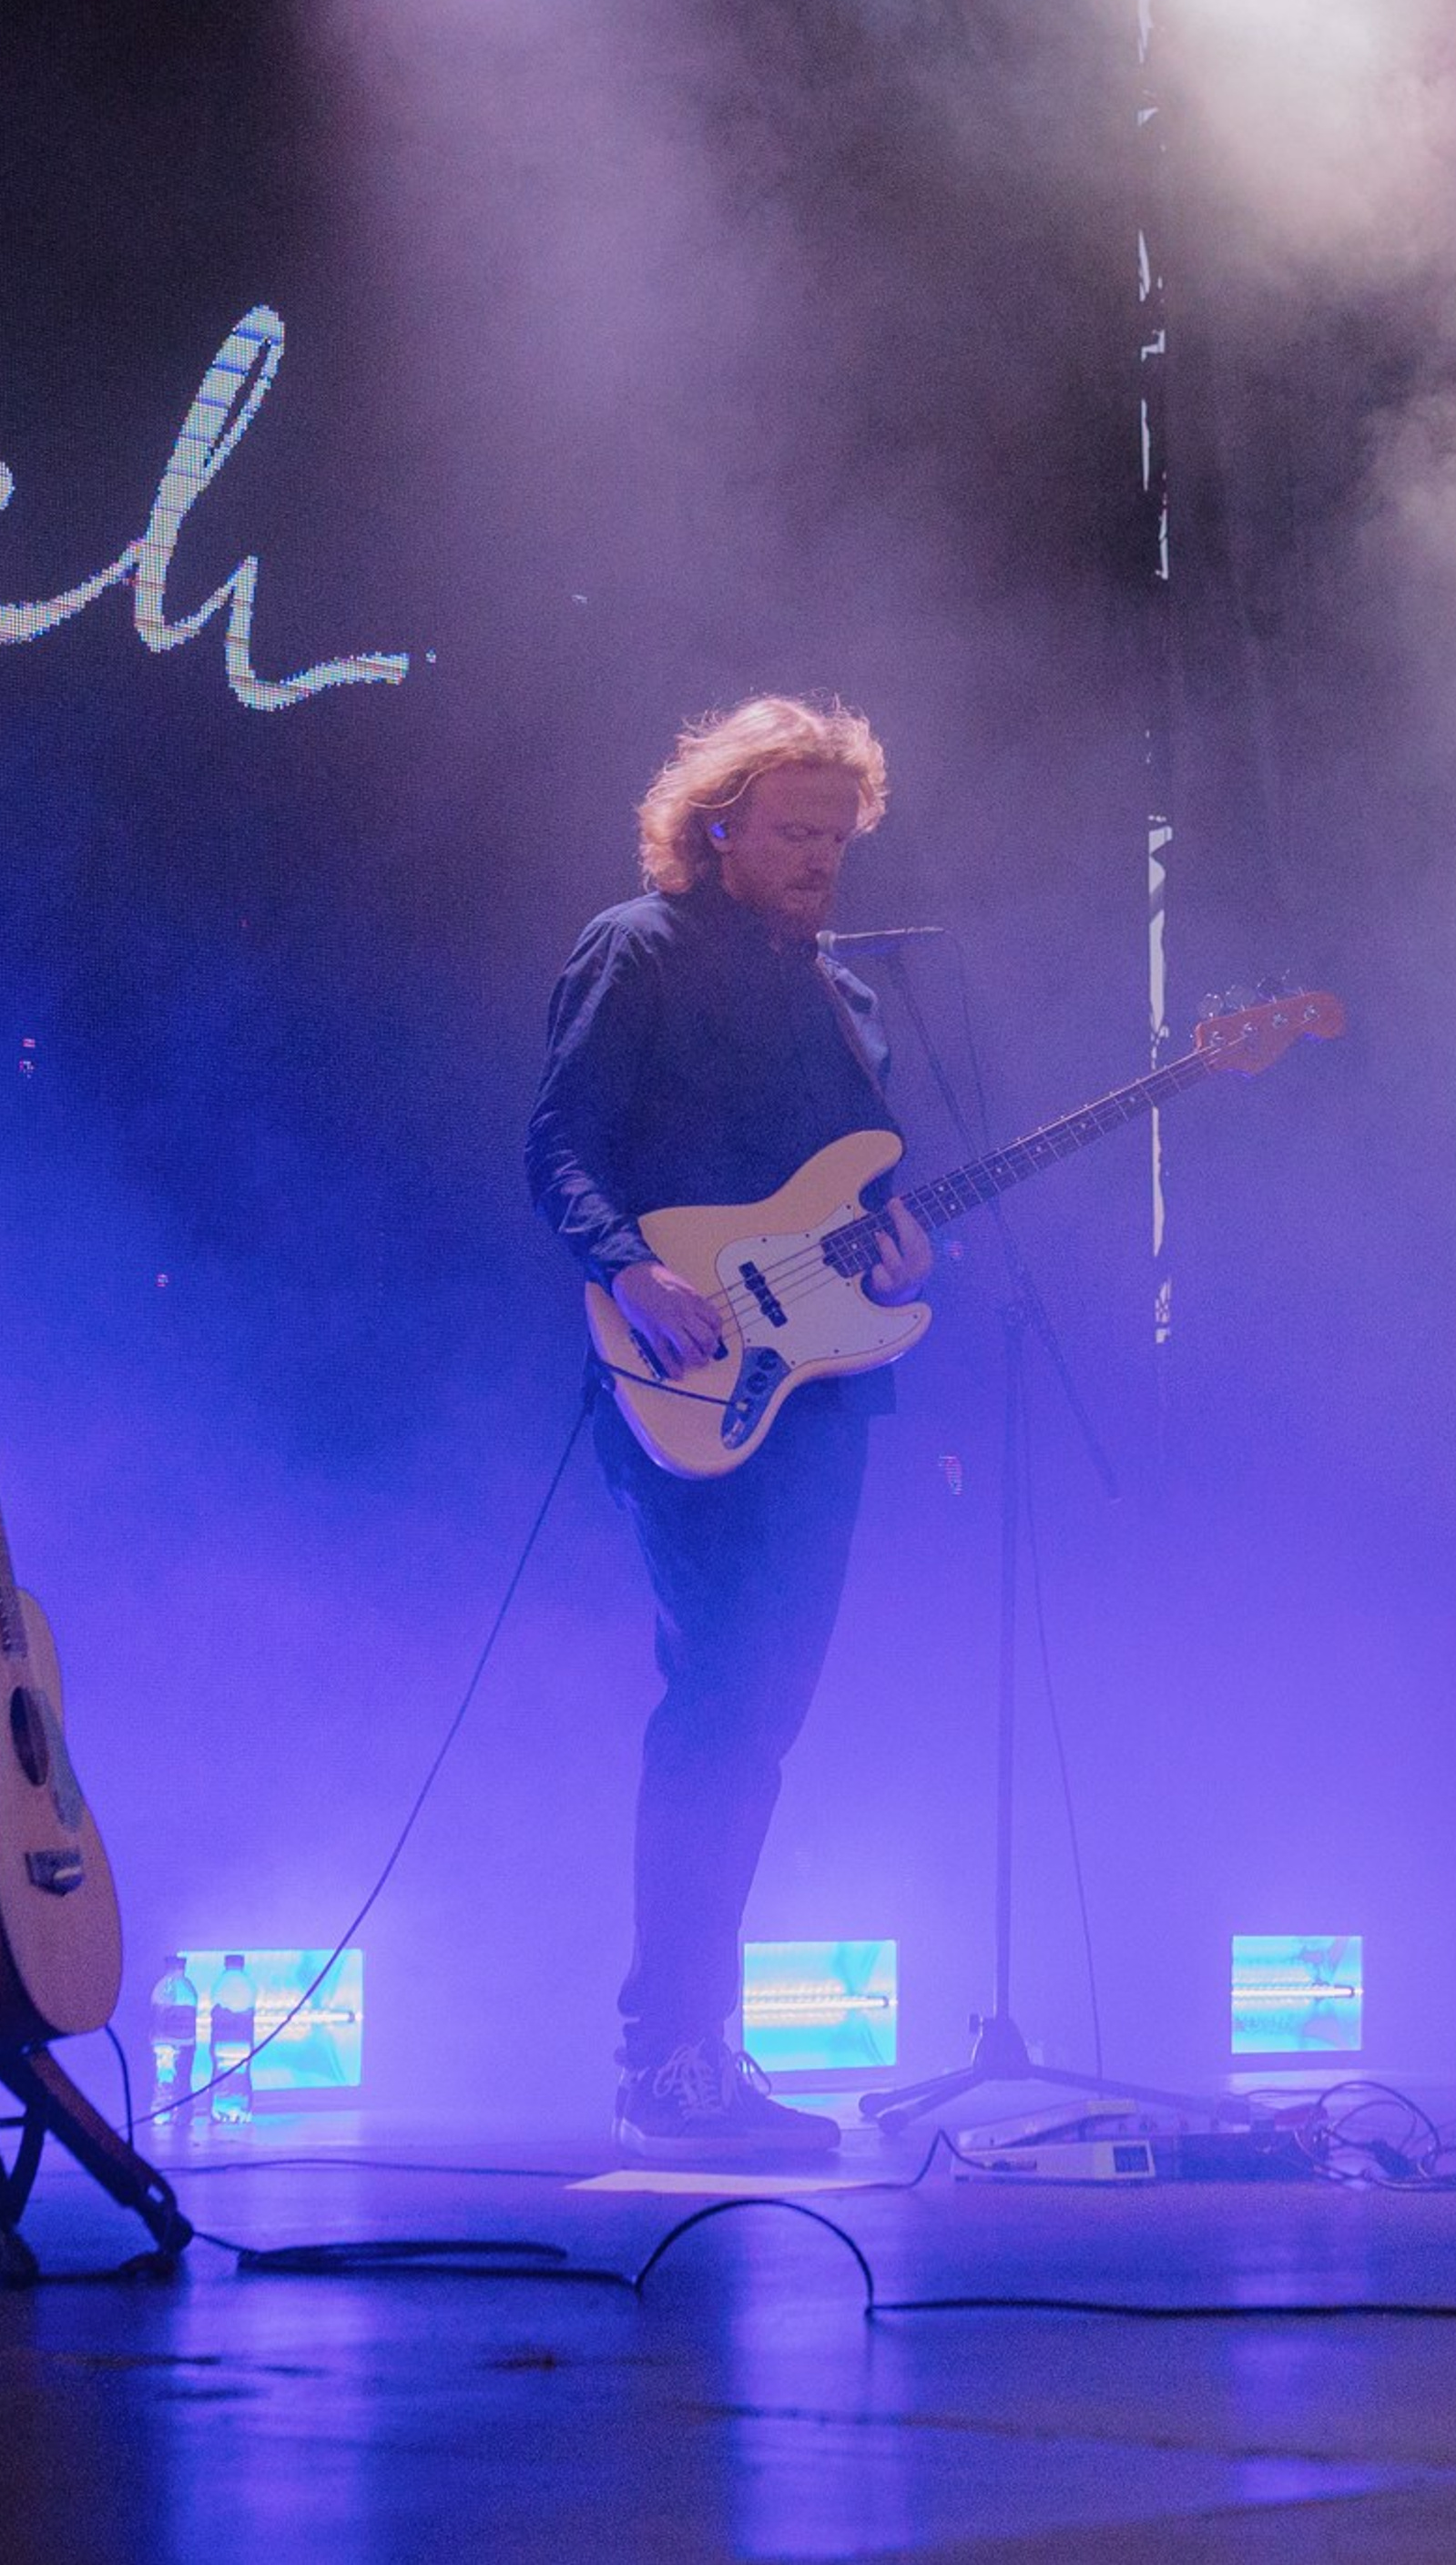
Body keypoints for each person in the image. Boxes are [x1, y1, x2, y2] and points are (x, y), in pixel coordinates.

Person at [527, 694, 932, 2163]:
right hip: (684, 1367)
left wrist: (903, 1258)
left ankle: (701, 2048)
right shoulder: (636, 947)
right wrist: (631, 1272)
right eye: (794, 831)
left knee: (762, 1715)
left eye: (839, 836)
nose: (821, 857)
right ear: (719, 827)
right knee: (719, 1699)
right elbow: (560, 1141)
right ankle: (665, 2057)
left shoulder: (847, 996)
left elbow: (861, 1203)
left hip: (819, 1393)